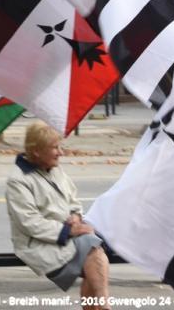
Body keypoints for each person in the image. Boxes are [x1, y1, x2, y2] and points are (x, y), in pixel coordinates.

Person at [6, 121, 111, 310]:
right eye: (55, 148)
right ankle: (104, 305)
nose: (61, 152)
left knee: (93, 250)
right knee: (93, 249)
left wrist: (76, 216)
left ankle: (103, 305)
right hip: (39, 243)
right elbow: (29, 223)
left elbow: (73, 200)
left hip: (69, 236)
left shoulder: (56, 170)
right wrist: (69, 230)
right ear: (37, 151)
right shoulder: (18, 180)